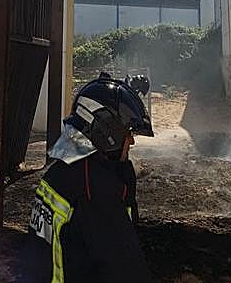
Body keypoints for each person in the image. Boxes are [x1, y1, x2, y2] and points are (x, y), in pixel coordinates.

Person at [26, 72, 154, 283]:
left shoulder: (64, 171)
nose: (131, 141)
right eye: (128, 132)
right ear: (107, 131)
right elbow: (127, 269)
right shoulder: (94, 192)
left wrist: (122, 170)